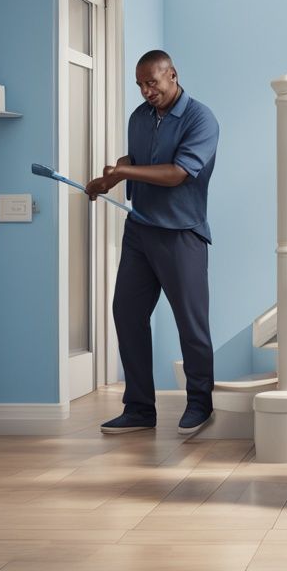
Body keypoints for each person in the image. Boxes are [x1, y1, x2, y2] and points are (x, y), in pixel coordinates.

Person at [86, 50, 219, 435]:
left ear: (172, 75)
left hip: (181, 234)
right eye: (141, 84)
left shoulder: (201, 119)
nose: (146, 91)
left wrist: (123, 170)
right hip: (140, 231)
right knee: (126, 313)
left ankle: (200, 404)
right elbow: (140, 157)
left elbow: (178, 172)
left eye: (152, 82)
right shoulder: (139, 118)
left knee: (191, 325)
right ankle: (140, 409)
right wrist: (110, 178)